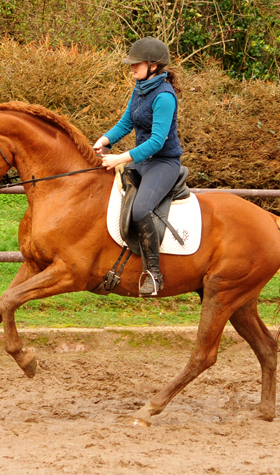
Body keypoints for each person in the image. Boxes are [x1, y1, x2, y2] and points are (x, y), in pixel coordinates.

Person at [93, 36, 183, 297]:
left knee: (141, 209)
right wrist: (105, 139)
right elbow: (125, 123)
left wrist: (120, 157)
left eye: (137, 63)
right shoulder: (140, 88)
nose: (132, 68)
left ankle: (154, 274)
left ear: (154, 65)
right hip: (142, 161)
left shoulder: (165, 96)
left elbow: (157, 141)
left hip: (163, 163)